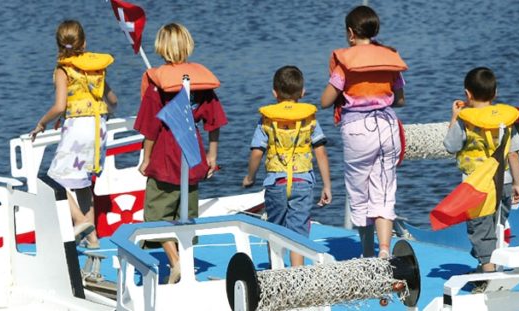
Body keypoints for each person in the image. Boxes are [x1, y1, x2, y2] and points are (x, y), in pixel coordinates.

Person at [134, 23, 226, 284]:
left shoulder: (157, 84)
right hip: (192, 151)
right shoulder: (199, 82)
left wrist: (146, 158)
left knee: (156, 215)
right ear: (188, 46)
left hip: (165, 151)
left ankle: (176, 262)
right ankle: (182, 259)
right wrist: (212, 156)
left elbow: (150, 128)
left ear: (161, 48)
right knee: (185, 212)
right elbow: (214, 122)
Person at [320, 5, 408, 259]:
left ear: (350, 33)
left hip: (358, 130)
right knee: (384, 189)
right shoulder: (388, 58)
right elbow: (399, 99)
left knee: (360, 192)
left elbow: (326, 101)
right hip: (388, 127)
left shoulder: (345, 64)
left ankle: (367, 253)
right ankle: (384, 250)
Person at [30, 20, 117, 250]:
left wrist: (41, 123)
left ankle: (79, 221)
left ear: (59, 44)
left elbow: (59, 106)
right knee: (83, 184)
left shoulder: (63, 69)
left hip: (78, 130)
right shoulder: (94, 67)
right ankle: (93, 240)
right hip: (99, 129)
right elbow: (113, 100)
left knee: (52, 179)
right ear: (84, 42)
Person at [243, 66, 333, 267]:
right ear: (302, 92)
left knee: (274, 230)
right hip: (302, 182)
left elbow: (257, 152)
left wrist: (250, 177)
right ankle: (297, 275)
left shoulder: (266, 120)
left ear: (274, 92)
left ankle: (277, 272)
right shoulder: (309, 119)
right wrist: (327, 185)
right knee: (297, 233)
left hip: (276, 183)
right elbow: (321, 153)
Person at [443, 67, 519, 273]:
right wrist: (517, 183)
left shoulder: (465, 121)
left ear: (467, 94)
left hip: (477, 187)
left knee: (481, 229)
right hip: (504, 183)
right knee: (496, 225)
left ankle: (488, 274)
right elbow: (514, 154)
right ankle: (487, 265)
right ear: (495, 93)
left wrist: (454, 118)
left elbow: (451, 146)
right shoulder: (504, 120)